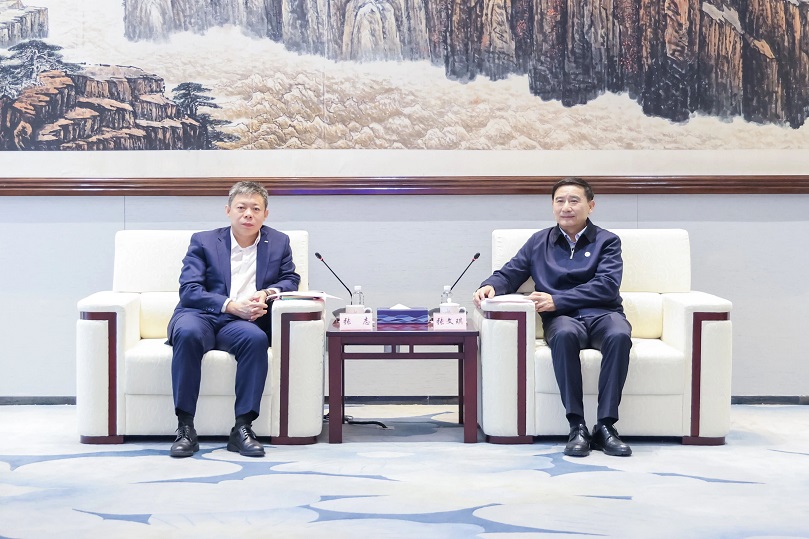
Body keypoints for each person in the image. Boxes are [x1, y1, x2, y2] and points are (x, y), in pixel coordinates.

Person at [473, 177, 632, 457]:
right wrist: (490, 285)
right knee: (564, 335)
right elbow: (511, 272)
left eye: (574, 200)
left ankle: (606, 427)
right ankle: (577, 426)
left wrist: (557, 299)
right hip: (562, 318)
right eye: (560, 201)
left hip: (603, 313)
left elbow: (607, 285)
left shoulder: (607, 241)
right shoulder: (539, 242)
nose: (566, 207)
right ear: (553, 206)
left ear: (591, 206)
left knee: (619, 335)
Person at [167, 181, 300, 458]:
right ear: (228, 210)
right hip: (200, 315)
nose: (248, 214)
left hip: (241, 323)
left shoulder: (279, 242)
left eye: (255, 209)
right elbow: (189, 290)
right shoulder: (203, 241)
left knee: (256, 339)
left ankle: (242, 428)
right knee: (188, 334)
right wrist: (230, 305)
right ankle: (185, 428)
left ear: (265, 214)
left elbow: (290, 279)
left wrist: (266, 293)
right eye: (241, 207)